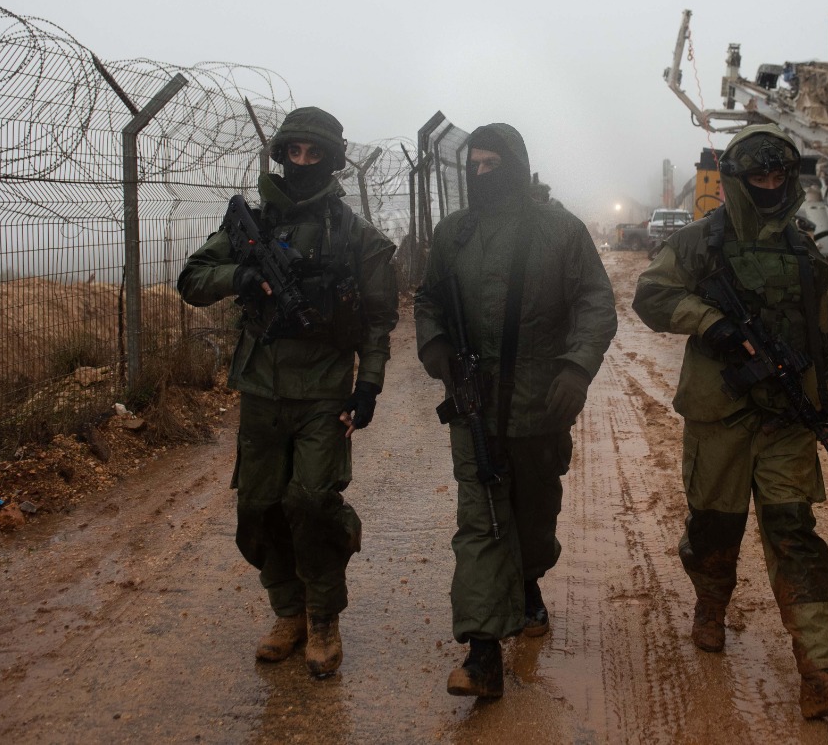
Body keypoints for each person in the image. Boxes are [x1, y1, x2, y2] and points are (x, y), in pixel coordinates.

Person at [631, 124, 828, 720]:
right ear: (738, 179)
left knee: (795, 534)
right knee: (715, 529)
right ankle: (711, 604)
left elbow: (823, 339)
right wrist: (710, 323)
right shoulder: (699, 242)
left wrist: (827, 407)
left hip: (787, 419)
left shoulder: (803, 249)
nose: (769, 184)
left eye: (778, 175)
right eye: (758, 175)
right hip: (721, 416)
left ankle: (820, 673)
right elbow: (652, 295)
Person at [177, 106, 397, 678]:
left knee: (312, 503)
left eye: (314, 153)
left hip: (324, 390)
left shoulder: (355, 235)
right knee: (259, 507)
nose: (302, 162)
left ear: (332, 160)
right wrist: (241, 276)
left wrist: (369, 384)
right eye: (294, 152)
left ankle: (323, 619)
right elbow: (192, 280)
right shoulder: (252, 223)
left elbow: (379, 319)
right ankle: (287, 612)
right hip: (261, 389)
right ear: (281, 155)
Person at [414, 123, 617, 699]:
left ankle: (528, 581)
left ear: (517, 165)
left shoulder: (560, 230)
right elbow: (429, 299)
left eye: (492, 164)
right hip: (474, 403)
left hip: (538, 405)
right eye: (473, 165)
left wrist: (576, 369)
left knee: (533, 516)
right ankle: (482, 653)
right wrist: (435, 345)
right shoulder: (454, 233)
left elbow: (596, 304)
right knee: (481, 522)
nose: (481, 174)